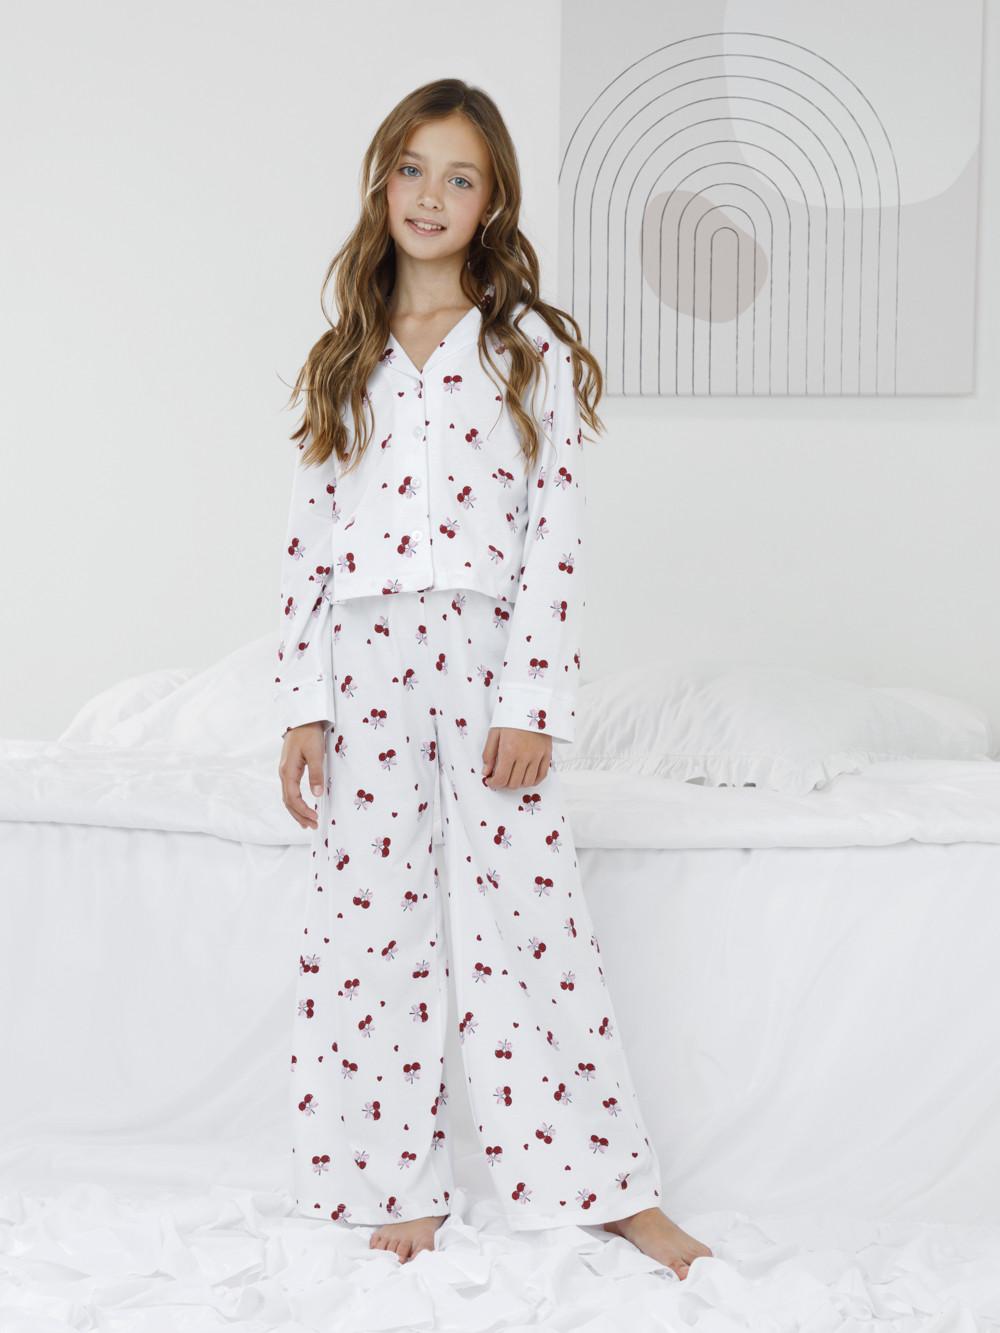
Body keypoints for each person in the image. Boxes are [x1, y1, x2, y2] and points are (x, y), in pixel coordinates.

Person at [274, 77, 712, 1280]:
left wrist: (533, 702)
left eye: (458, 177)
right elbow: (308, 541)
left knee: (532, 919)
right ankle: (390, 1181)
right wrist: (302, 704)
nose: (431, 195)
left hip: (481, 657)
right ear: (382, 182)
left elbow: (554, 537)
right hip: (362, 660)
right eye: (413, 169)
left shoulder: (527, 354)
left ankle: (607, 1185)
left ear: (491, 202)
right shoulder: (342, 358)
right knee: (369, 925)